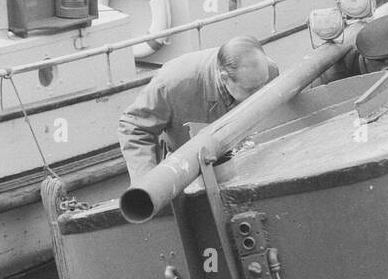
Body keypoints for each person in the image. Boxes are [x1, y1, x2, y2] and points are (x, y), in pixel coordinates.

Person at [118, 37, 277, 184]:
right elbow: (134, 127)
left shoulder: (265, 70)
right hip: (191, 169)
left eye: (263, 85)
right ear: (224, 78)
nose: (260, 95)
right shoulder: (172, 83)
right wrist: (148, 185)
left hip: (245, 160)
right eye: (250, 91)